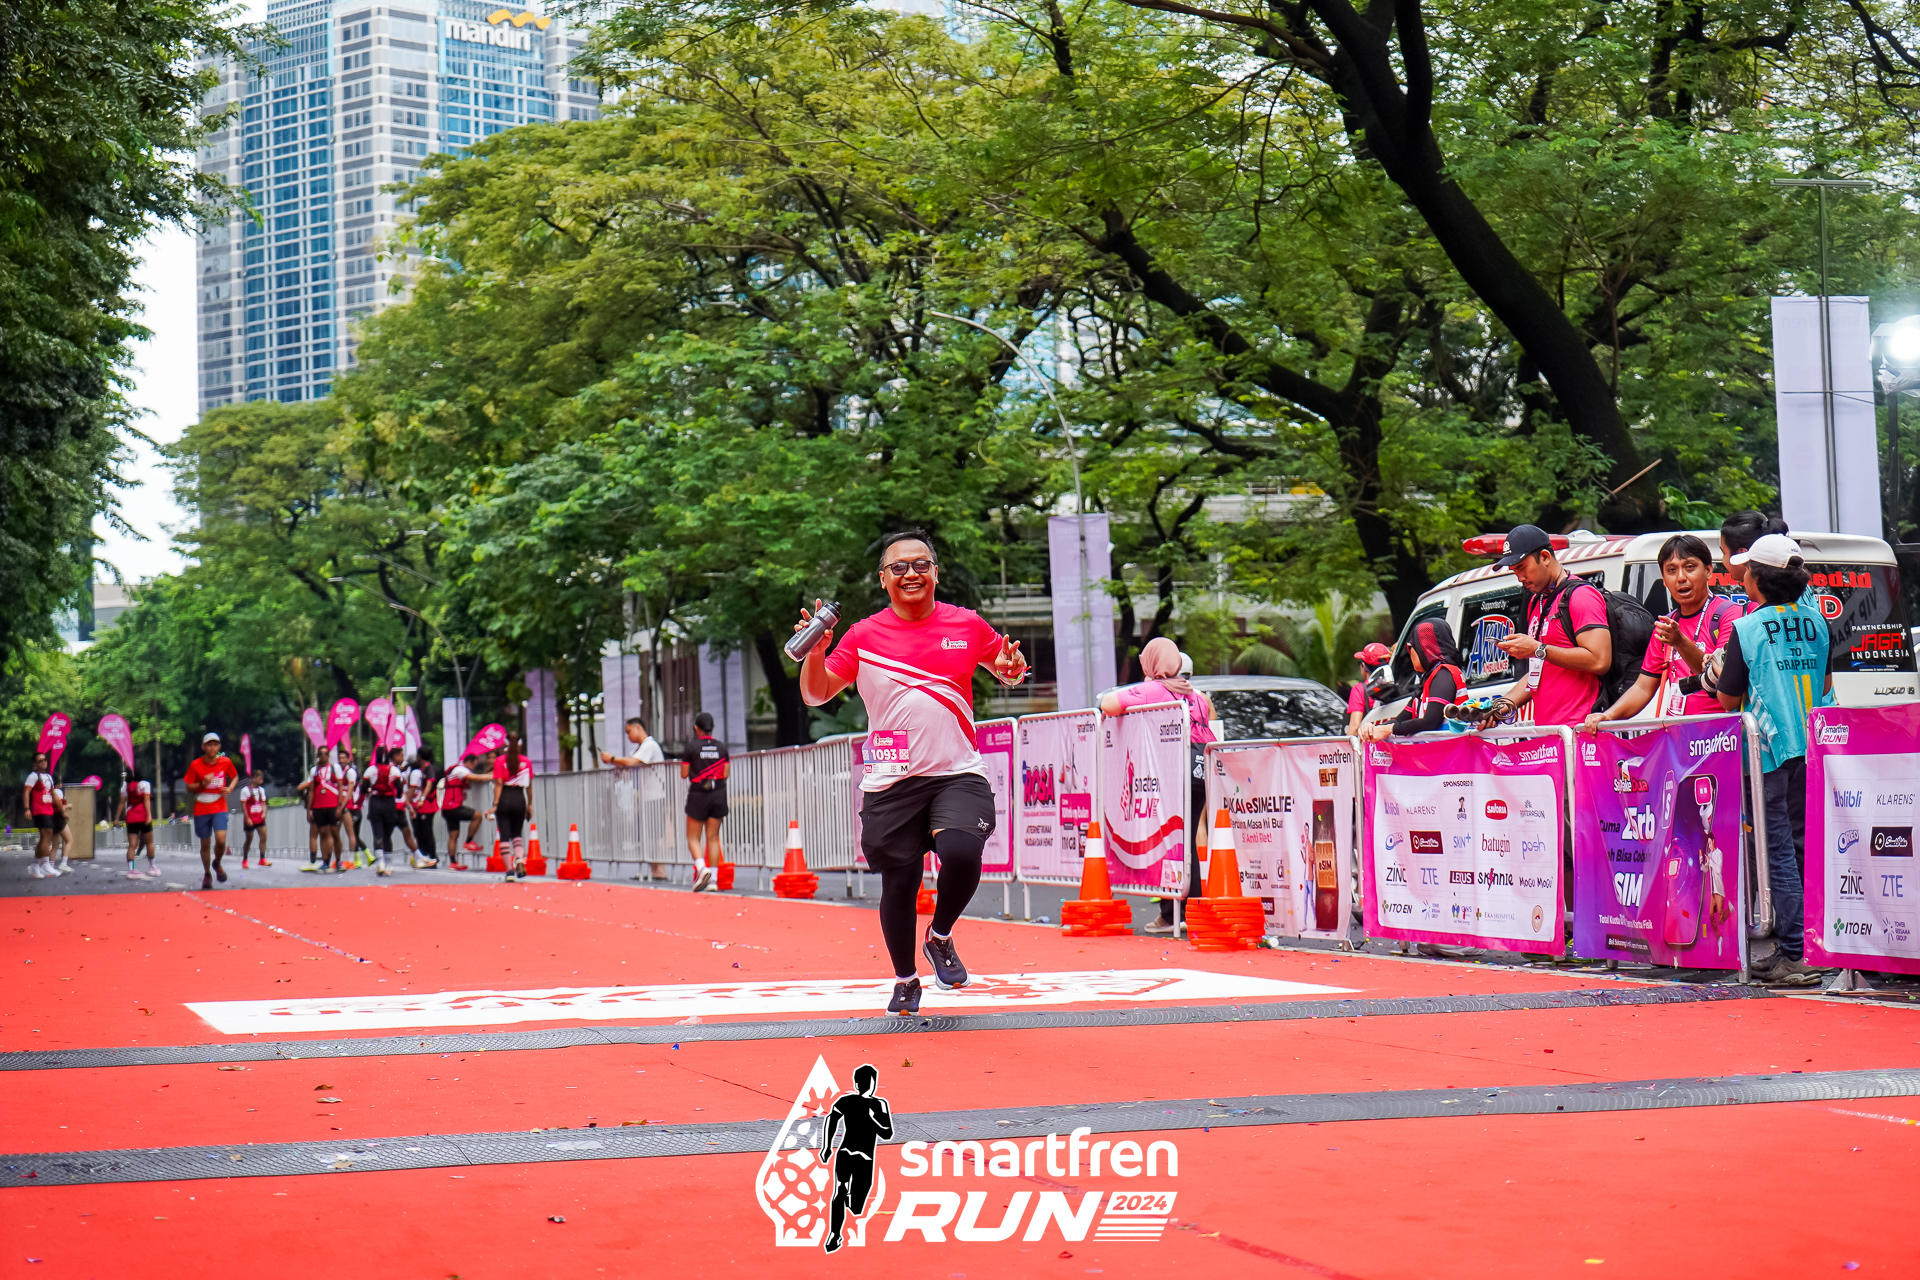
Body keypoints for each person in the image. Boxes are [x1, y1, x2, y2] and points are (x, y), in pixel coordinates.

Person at [797, 530, 1028, 1015]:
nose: (911, 574)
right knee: (900, 884)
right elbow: (816, 695)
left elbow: (1007, 669)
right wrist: (816, 650)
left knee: (961, 851)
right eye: (898, 567)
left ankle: (940, 936)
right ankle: (905, 979)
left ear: (935, 573)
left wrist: (1013, 666)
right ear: (883, 579)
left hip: (956, 771)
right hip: (892, 780)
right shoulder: (863, 635)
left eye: (921, 565)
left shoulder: (965, 624)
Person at [1713, 533, 1839, 987]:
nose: (1742, 574)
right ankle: (1808, 946)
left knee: (1779, 851)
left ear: (1758, 578)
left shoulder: (1748, 628)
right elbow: (1826, 684)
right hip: (1813, 748)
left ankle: (1795, 952)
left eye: (1747, 568)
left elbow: (1727, 698)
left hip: (1768, 752)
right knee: (1806, 847)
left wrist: (1714, 674)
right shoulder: (1817, 621)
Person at [1100, 636, 1218, 936]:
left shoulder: (1155, 689)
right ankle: (1189, 911)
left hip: (1173, 771)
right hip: (1202, 768)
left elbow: (1109, 703)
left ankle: (1172, 914)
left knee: (1172, 843)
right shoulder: (1195, 694)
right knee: (1187, 840)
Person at [1581, 535, 1739, 730]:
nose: (1681, 577)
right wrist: (1609, 715)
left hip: (1721, 736)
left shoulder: (1728, 614)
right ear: (1663, 579)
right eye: (1671, 570)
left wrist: (1680, 642)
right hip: (1679, 737)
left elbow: (1720, 677)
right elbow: (1643, 687)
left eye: (1689, 567)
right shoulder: (1666, 625)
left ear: (1708, 571)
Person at [1478, 524, 1613, 728]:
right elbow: (1540, 670)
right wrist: (1498, 709)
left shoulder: (1581, 596)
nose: (1520, 578)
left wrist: (1537, 649)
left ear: (1545, 557)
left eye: (1522, 567)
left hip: (1581, 732)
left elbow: (1599, 660)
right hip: (1549, 733)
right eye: (1514, 571)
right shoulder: (1537, 602)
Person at [818, 1063, 893, 1254]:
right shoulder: (854, 1102)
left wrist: (871, 1120)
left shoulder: (874, 1104)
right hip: (853, 1154)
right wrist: (827, 1146)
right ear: (860, 1084)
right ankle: (835, 1234)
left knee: (854, 1204)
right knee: (841, 1190)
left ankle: (846, 1205)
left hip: (856, 1156)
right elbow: (832, 1119)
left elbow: (887, 1133)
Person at [1361, 619, 1465, 739]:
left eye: (1411, 647)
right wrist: (1373, 729)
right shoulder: (1429, 679)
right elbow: (1401, 719)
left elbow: (1431, 721)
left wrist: (1389, 729)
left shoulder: (1444, 674)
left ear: (1424, 648)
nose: (1409, 653)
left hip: (1451, 749)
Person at [603, 715, 670, 879]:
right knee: (648, 834)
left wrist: (612, 759)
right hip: (646, 796)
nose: (628, 736)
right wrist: (613, 762)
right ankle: (654, 870)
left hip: (655, 795)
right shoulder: (639, 749)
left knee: (655, 834)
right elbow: (627, 763)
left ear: (638, 728)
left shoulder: (649, 745)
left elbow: (632, 762)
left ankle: (659, 870)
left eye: (629, 731)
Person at [679, 711, 731, 892]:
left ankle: (702, 869)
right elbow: (725, 773)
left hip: (698, 793)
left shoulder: (691, 747)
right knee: (713, 837)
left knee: (693, 836)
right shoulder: (721, 747)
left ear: (696, 728)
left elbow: (684, 773)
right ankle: (713, 880)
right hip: (718, 793)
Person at [182, 732, 239, 890]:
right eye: (209, 745)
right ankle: (207, 873)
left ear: (219, 746)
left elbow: (235, 776)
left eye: (215, 745)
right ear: (204, 747)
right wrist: (202, 783)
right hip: (202, 806)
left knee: (221, 839)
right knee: (205, 843)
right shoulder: (196, 765)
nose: (212, 748)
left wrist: (230, 788)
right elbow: (188, 787)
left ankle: (217, 863)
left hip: (219, 805)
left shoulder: (225, 762)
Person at [1718, 510, 1790, 612]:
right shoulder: (1793, 590)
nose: (1722, 560)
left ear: (1741, 554)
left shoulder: (1762, 608)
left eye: (1724, 552)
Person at [487, 733, 534, 881]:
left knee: (504, 836)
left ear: (505, 745)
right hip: (519, 798)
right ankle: (519, 858)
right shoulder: (526, 761)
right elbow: (529, 786)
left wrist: (495, 805)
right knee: (517, 833)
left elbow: (498, 784)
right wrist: (529, 804)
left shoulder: (500, 761)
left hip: (504, 799)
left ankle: (509, 871)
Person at [363, 746, 411, 877]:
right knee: (387, 835)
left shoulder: (370, 770)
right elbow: (399, 788)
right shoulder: (394, 770)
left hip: (375, 803)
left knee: (378, 834)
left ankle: (380, 864)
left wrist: (370, 790)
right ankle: (389, 864)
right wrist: (395, 795)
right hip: (389, 804)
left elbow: (363, 788)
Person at [297, 751, 345, 872]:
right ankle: (325, 861)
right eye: (320, 754)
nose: (323, 756)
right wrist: (309, 809)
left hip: (333, 805)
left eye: (325, 754)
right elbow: (311, 790)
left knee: (335, 833)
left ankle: (338, 860)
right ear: (317, 756)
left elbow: (340, 787)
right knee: (324, 833)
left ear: (328, 756)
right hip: (319, 806)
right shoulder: (314, 771)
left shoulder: (335, 768)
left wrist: (340, 806)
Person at [22, 752, 62, 878]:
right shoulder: (33, 776)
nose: (43, 762)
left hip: (48, 809)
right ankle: (45, 864)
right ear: (35, 764)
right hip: (39, 810)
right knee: (47, 835)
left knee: (45, 837)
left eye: (45, 760)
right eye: (40, 761)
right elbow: (26, 792)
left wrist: (61, 810)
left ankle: (35, 864)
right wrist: (27, 808)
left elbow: (53, 795)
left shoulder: (49, 777)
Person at [439, 752, 479, 869]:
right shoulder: (461, 769)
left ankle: (453, 862)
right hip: (454, 806)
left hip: (446, 808)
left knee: (453, 835)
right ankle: (468, 842)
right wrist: (492, 776)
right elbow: (476, 778)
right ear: (469, 763)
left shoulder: (455, 769)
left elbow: (467, 783)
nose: (473, 769)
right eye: (474, 766)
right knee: (477, 816)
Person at [119, 766, 159, 879]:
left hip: (131, 817)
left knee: (132, 845)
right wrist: (149, 815)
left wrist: (117, 817)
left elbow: (121, 802)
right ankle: (152, 867)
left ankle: (131, 870)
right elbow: (146, 800)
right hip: (143, 816)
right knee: (149, 843)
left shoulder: (125, 786)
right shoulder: (145, 784)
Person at [1347, 641, 1393, 735]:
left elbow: (1354, 728)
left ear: (1364, 666)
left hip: (1372, 741)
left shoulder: (1359, 689)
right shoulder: (1397, 683)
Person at [406, 750, 441, 869]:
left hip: (427, 805)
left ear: (420, 756)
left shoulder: (428, 768)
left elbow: (429, 784)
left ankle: (432, 857)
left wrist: (422, 798)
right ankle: (423, 856)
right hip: (420, 806)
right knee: (419, 832)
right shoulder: (420, 769)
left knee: (426, 832)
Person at [338, 745, 366, 867]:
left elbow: (350, 791)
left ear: (348, 759)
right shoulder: (340, 771)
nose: (341, 760)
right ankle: (338, 859)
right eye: (339, 758)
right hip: (340, 804)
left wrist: (343, 806)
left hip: (349, 806)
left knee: (351, 832)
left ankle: (352, 860)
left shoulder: (350, 772)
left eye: (343, 758)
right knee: (336, 831)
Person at [238, 771, 271, 868]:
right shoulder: (245, 790)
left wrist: (264, 813)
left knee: (263, 837)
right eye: (259, 778)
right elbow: (243, 806)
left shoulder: (261, 790)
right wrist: (247, 818)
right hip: (250, 818)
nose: (261, 780)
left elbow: (263, 803)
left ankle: (262, 858)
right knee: (249, 839)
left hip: (259, 817)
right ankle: (245, 859)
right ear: (253, 778)